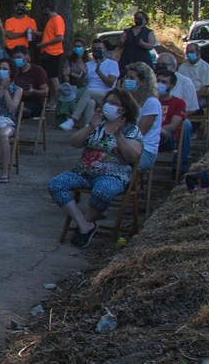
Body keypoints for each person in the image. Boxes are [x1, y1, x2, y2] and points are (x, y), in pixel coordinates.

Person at [48, 88, 144, 247]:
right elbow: (74, 143)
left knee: (103, 191)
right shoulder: (97, 124)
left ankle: (86, 221)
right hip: (84, 172)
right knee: (55, 185)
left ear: (124, 109)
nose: (109, 105)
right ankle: (84, 224)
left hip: (113, 175)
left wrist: (119, 136)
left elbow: (132, 157)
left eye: (114, 103)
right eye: (107, 102)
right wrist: (90, 127)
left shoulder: (130, 129)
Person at [68, 38, 122, 129]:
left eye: (99, 49)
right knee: (90, 102)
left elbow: (110, 83)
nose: (96, 51)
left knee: (89, 92)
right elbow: (80, 85)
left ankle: (72, 119)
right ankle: (88, 129)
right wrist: (84, 74)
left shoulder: (112, 64)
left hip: (106, 95)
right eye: (94, 49)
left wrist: (98, 71)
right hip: (89, 95)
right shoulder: (88, 64)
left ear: (105, 50)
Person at [123, 63, 162, 172]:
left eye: (132, 78)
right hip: (124, 145)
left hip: (145, 151)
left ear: (142, 81)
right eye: (127, 77)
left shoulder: (151, 103)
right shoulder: (126, 101)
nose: (127, 80)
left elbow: (139, 133)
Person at [154, 67, 193, 172]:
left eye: (163, 82)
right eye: (157, 81)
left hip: (167, 139)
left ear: (171, 86)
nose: (159, 84)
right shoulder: (149, 101)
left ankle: (180, 168)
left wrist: (153, 130)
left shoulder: (179, 103)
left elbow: (173, 126)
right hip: (149, 137)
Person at [55, 39, 89, 127]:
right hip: (71, 84)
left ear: (84, 48)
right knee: (66, 92)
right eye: (75, 46)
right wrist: (70, 76)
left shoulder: (88, 61)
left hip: (83, 86)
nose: (77, 48)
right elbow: (66, 73)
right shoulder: (69, 59)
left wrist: (72, 73)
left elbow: (87, 78)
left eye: (79, 46)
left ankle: (70, 118)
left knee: (72, 94)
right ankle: (64, 119)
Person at [39, 0, 67, 98]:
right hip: (47, 52)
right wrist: (35, 33)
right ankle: (52, 101)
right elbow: (49, 35)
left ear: (47, 9)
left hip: (54, 53)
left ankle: (59, 101)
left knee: (53, 78)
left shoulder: (57, 19)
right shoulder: (50, 21)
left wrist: (44, 44)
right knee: (49, 78)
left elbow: (60, 37)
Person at [12, 47, 50, 119]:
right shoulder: (14, 72)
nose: (16, 60)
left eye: (19, 57)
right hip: (17, 101)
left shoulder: (38, 70)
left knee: (23, 108)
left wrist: (33, 91)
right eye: (14, 58)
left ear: (27, 57)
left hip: (34, 103)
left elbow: (45, 92)